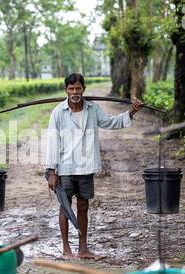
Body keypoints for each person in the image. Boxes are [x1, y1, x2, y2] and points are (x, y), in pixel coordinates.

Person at [45, 73, 143, 260]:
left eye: (78, 88)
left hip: (86, 168)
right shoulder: (58, 112)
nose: (75, 92)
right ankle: (66, 250)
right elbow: (52, 143)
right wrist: (51, 171)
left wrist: (131, 112)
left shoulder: (92, 109)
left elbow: (110, 122)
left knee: (83, 206)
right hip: (65, 168)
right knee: (65, 207)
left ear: (84, 89)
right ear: (66, 90)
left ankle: (83, 249)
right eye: (71, 88)